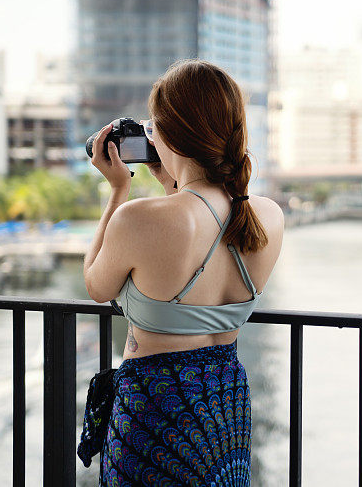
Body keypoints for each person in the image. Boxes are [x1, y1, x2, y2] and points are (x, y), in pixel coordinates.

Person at [78, 59, 284, 486]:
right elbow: (202, 218)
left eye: (154, 125)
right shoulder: (268, 215)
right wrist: (172, 182)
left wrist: (119, 189)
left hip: (155, 413)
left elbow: (97, 285)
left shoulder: (140, 218)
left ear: (170, 132)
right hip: (225, 410)